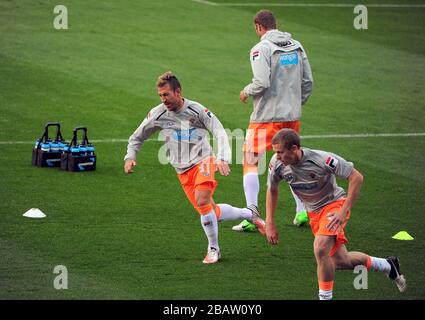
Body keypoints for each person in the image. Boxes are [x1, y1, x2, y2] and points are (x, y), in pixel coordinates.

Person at [124, 72, 266, 264]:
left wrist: (222, 158)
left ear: (178, 91)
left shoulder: (197, 110)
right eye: (160, 96)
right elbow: (137, 137)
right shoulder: (157, 114)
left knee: (202, 200)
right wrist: (130, 156)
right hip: (182, 170)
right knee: (211, 211)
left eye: (166, 94)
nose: (163, 99)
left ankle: (213, 248)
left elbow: (219, 132)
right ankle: (250, 215)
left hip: (204, 161)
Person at [265, 128, 407, 300]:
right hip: (314, 213)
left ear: (294, 148)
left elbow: (356, 177)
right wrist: (270, 222)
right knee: (341, 261)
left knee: (319, 249)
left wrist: (343, 210)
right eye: (276, 153)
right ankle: (388, 265)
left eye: (280, 152)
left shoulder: (322, 159)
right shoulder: (277, 164)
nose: (277, 157)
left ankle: (325, 298)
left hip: (333, 205)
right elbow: (272, 189)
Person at [233, 9, 314, 233]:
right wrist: (295, 104)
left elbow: (261, 82)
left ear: (259, 27)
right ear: (275, 25)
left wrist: (245, 92)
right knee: (292, 162)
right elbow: (308, 82)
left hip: (266, 119)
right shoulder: (297, 46)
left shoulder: (261, 48)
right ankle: (301, 212)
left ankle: (252, 215)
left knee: (251, 161)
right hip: (292, 118)